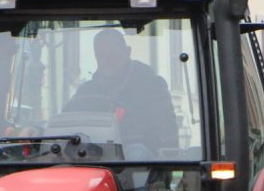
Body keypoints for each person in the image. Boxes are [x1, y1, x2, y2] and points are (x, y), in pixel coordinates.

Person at [64, 28, 179, 156]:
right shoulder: (85, 93)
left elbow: (167, 131)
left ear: (127, 52)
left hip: (136, 159)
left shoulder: (152, 87)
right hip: (95, 155)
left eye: (112, 53)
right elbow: (66, 123)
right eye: (100, 54)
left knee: (137, 154)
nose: (107, 59)